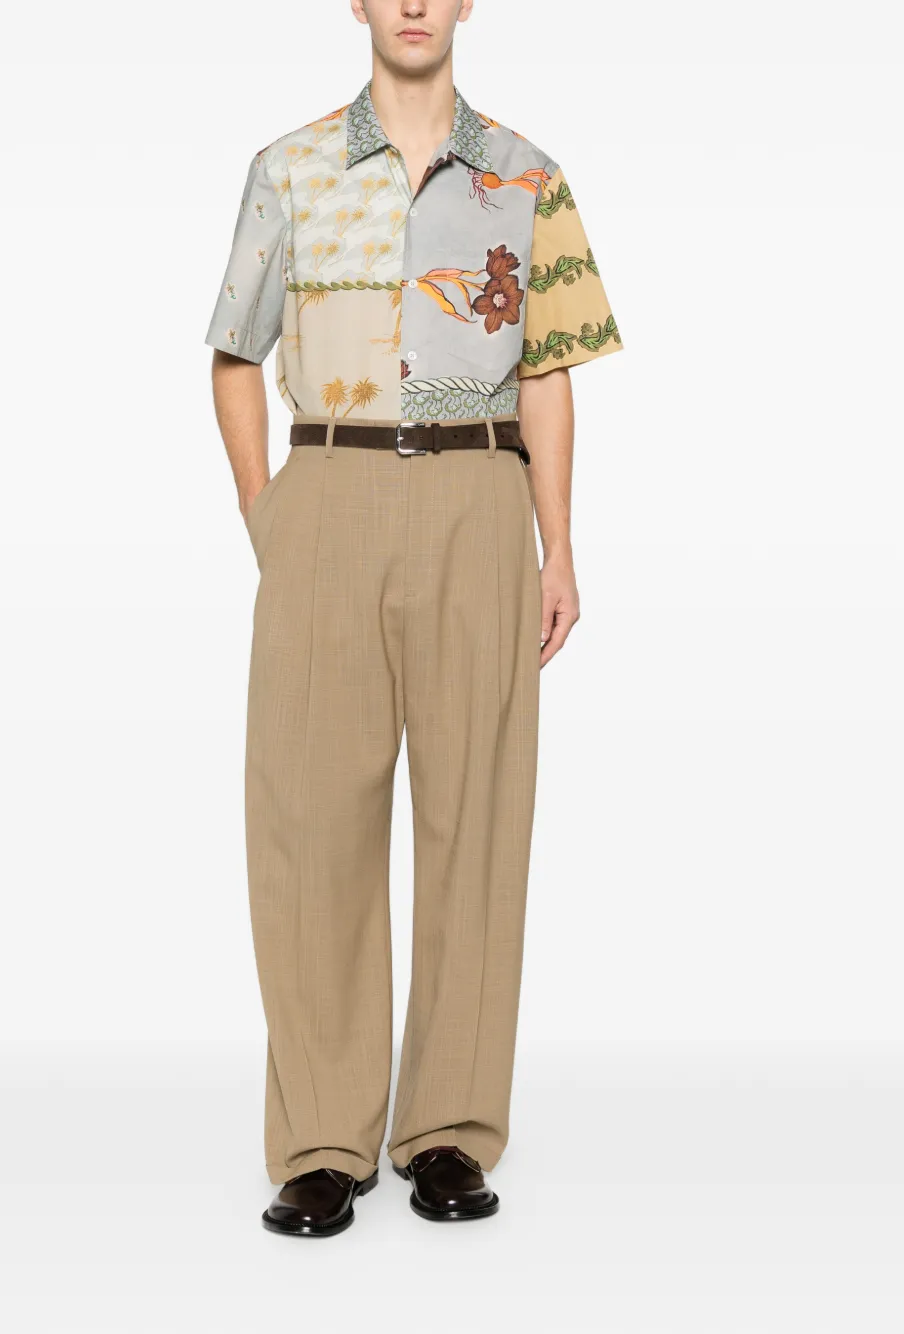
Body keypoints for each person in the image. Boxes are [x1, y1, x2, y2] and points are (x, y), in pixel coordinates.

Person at [206, 0, 622, 1237]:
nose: (413, 3)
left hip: (476, 497)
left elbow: (545, 369)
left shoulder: (527, 176)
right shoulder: (286, 168)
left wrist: (556, 543)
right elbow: (234, 353)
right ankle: (323, 1138)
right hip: (326, 487)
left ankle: (448, 1126)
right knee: (307, 817)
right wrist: (269, 516)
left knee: (476, 814)